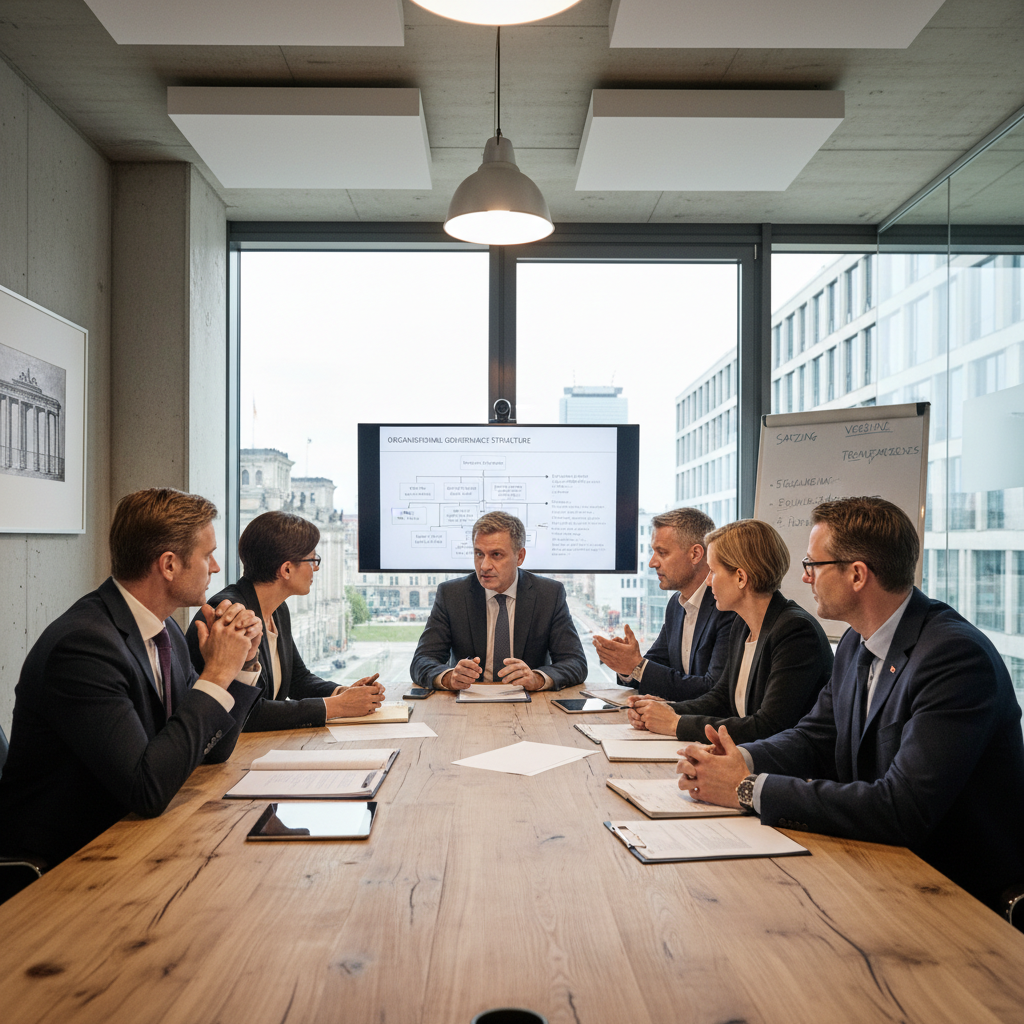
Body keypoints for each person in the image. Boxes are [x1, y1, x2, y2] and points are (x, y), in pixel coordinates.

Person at [677, 497, 1024, 911]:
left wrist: (748, 788)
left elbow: (902, 807)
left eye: (814, 565)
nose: (805, 579)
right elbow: (815, 736)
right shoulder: (857, 641)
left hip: (953, 892)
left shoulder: (955, 658)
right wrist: (739, 760)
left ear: (857, 574)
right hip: (877, 866)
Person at [0, 488, 263, 875]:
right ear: (169, 565)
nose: (217, 568)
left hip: (131, 842)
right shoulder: (84, 646)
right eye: (207, 555)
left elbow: (212, 750)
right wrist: (216, 673)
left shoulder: (165, 630)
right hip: (62, 867)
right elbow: (147, 790)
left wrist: (243, 661)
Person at [628, 518, 832, 742]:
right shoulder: (743, 625)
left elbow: (769, 726)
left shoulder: (795, 632)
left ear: (741, 578)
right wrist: (665, 711)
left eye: (713, 572)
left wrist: (676, 724)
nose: (708, 581)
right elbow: (720, 698)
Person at [187, 511, 383, 730]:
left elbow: (297, 679)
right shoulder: (231, 615)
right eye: (312, 560)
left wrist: (342, 693)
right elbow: (247, 711)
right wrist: (337, 706)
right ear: (287, 569)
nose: (315, 568)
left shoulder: (278, 609)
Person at [409, 511, 587, 691]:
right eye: (479, 554)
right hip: (470, 703)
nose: (484, 566)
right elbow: (422, 661)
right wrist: (449, 677)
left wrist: (538, 678)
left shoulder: (549, 594)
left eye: (496, 555)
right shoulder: (452, 594)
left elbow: (575, 663)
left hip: (530, 704)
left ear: (520, 557)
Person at [593, 508, 735, 701]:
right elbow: (655, 668)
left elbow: (712, 690)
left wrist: (636, 666)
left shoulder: (727, 606)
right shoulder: (675, 605)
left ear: (695, 554)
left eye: (662, 552)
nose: (652, 563)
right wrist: (627, 665)